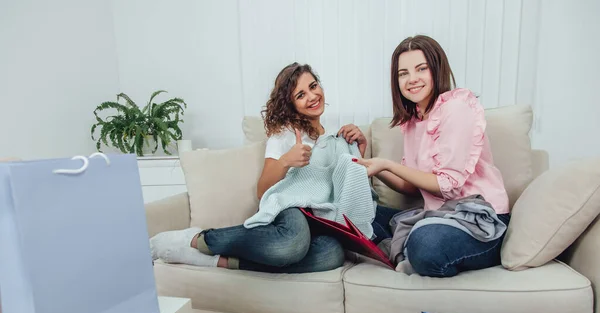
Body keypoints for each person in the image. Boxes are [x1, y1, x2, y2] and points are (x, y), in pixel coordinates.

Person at [150, 63, 369, 273]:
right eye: (300, 95)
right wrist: (286, 161)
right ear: (290, 104)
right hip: (291, 207)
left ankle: (220, 262)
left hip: (321, 216)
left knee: (332, 254)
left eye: (313, 86)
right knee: (293, 242)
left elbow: (348, 185)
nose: (312, 96)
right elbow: (263, 190)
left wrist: (360, 147)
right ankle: (200, 239)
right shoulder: (284, 134)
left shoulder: (334, 134)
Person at [356, 35, 510, 277]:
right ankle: (407, 247)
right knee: (356, 215)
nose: (411, 79)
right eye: (403, 73)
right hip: (440, 216)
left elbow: (445, 186)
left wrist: (386, 163)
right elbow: (411, 186)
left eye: (421, 69)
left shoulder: (457, 108)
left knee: (426, 244)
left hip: (480, 220)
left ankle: (409, 249)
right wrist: (373, 167)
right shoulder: (414, 120)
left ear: (437, 69)